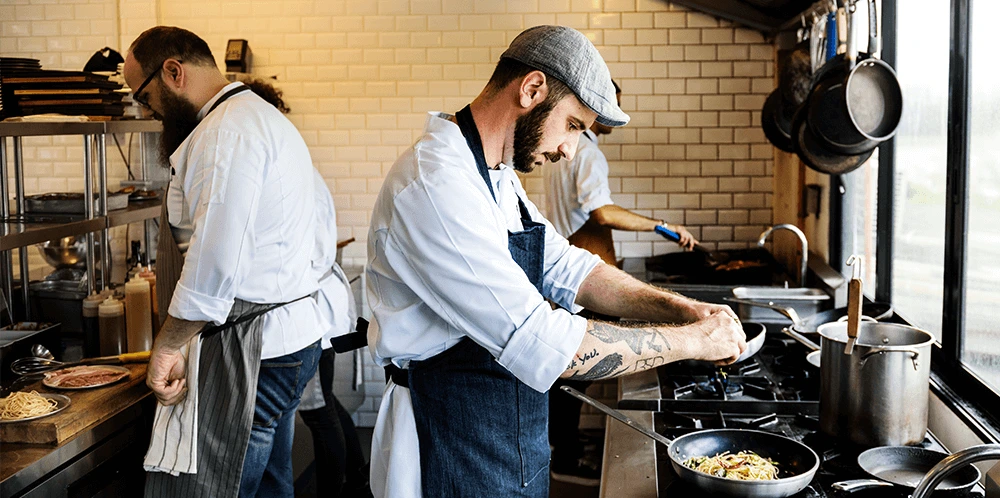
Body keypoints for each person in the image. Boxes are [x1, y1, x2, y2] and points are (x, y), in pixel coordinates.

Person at [365, 25, 746, 498]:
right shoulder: (436, 185)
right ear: (532, 88)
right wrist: (693, 341)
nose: (570, 150)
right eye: (572, 126)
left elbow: (570, 267)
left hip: (508, 423)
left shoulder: (497, 176)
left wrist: (682, 310)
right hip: (447, 431)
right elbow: (544, 343)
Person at [124, 27, 324, 498]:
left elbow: (213, 264)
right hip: (286, 341)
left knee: (221, 490)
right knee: (273, 486)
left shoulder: (225, 131)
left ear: (173, 72)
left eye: (145, 95)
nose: (147, 110)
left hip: (254, 352)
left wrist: (168, 348)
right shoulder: (259, 117)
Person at [544, 80, 701, 486]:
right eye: (613, 103)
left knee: (570, 367)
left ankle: (564, 447)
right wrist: (663, 227)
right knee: (575, 371)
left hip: (563, 275)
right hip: (583, 275)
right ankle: (564, 456)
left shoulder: (564, 149)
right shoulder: (589, 153)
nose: (618, 111)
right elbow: (602, 214)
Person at [243, 77, 374, 498]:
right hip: (314, 308)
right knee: (325, 406)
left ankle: (342, 488)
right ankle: (357, 475)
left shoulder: (287, 171)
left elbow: (306, 252)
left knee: (318, 411)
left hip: (307, 312)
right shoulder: (295, 165)